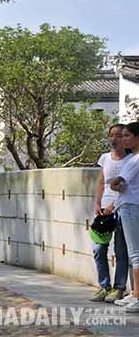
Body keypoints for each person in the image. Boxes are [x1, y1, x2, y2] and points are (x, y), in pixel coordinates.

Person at [90, 124, 132, 303]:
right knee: (99, 248)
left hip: (122, 208)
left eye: (118, 136)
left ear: (125, 139)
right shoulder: (105, 158)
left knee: (121, 250)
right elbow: (102, 183)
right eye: (111, 135)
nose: (114, 139)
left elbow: (128, 187)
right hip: (103, 211)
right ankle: (104, 285)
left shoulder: (131, 160)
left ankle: (119, 288)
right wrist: (97, 203)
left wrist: (113, 205)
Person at [110, 122, 139, 312]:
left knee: (135, 254)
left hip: (130, 206)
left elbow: (118, 182)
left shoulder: (135, 160)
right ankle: (136, 293)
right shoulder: (132, 159)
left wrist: (115, 182)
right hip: (129, 205)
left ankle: (137, 296)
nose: (123, 139)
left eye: (127, 136)